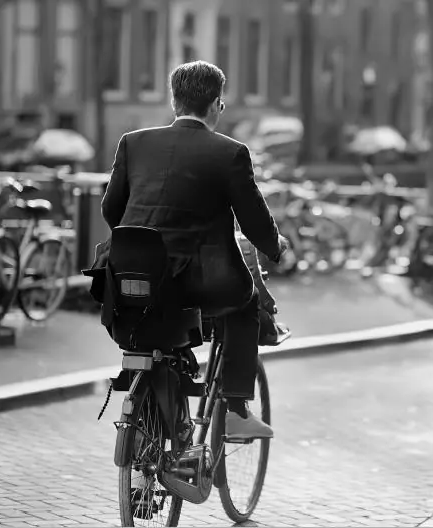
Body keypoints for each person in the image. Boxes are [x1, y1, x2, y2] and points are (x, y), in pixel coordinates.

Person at [101, 60, 288, 441]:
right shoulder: (230, 153)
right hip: (197, 282)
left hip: (128, 274)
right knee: (245, 300)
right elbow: (253, 221)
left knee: (152, 313)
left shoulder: (133, 143)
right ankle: (236, 408)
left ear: (174, 101)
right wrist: (276, 246)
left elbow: (111, 210)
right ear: (217, 104)